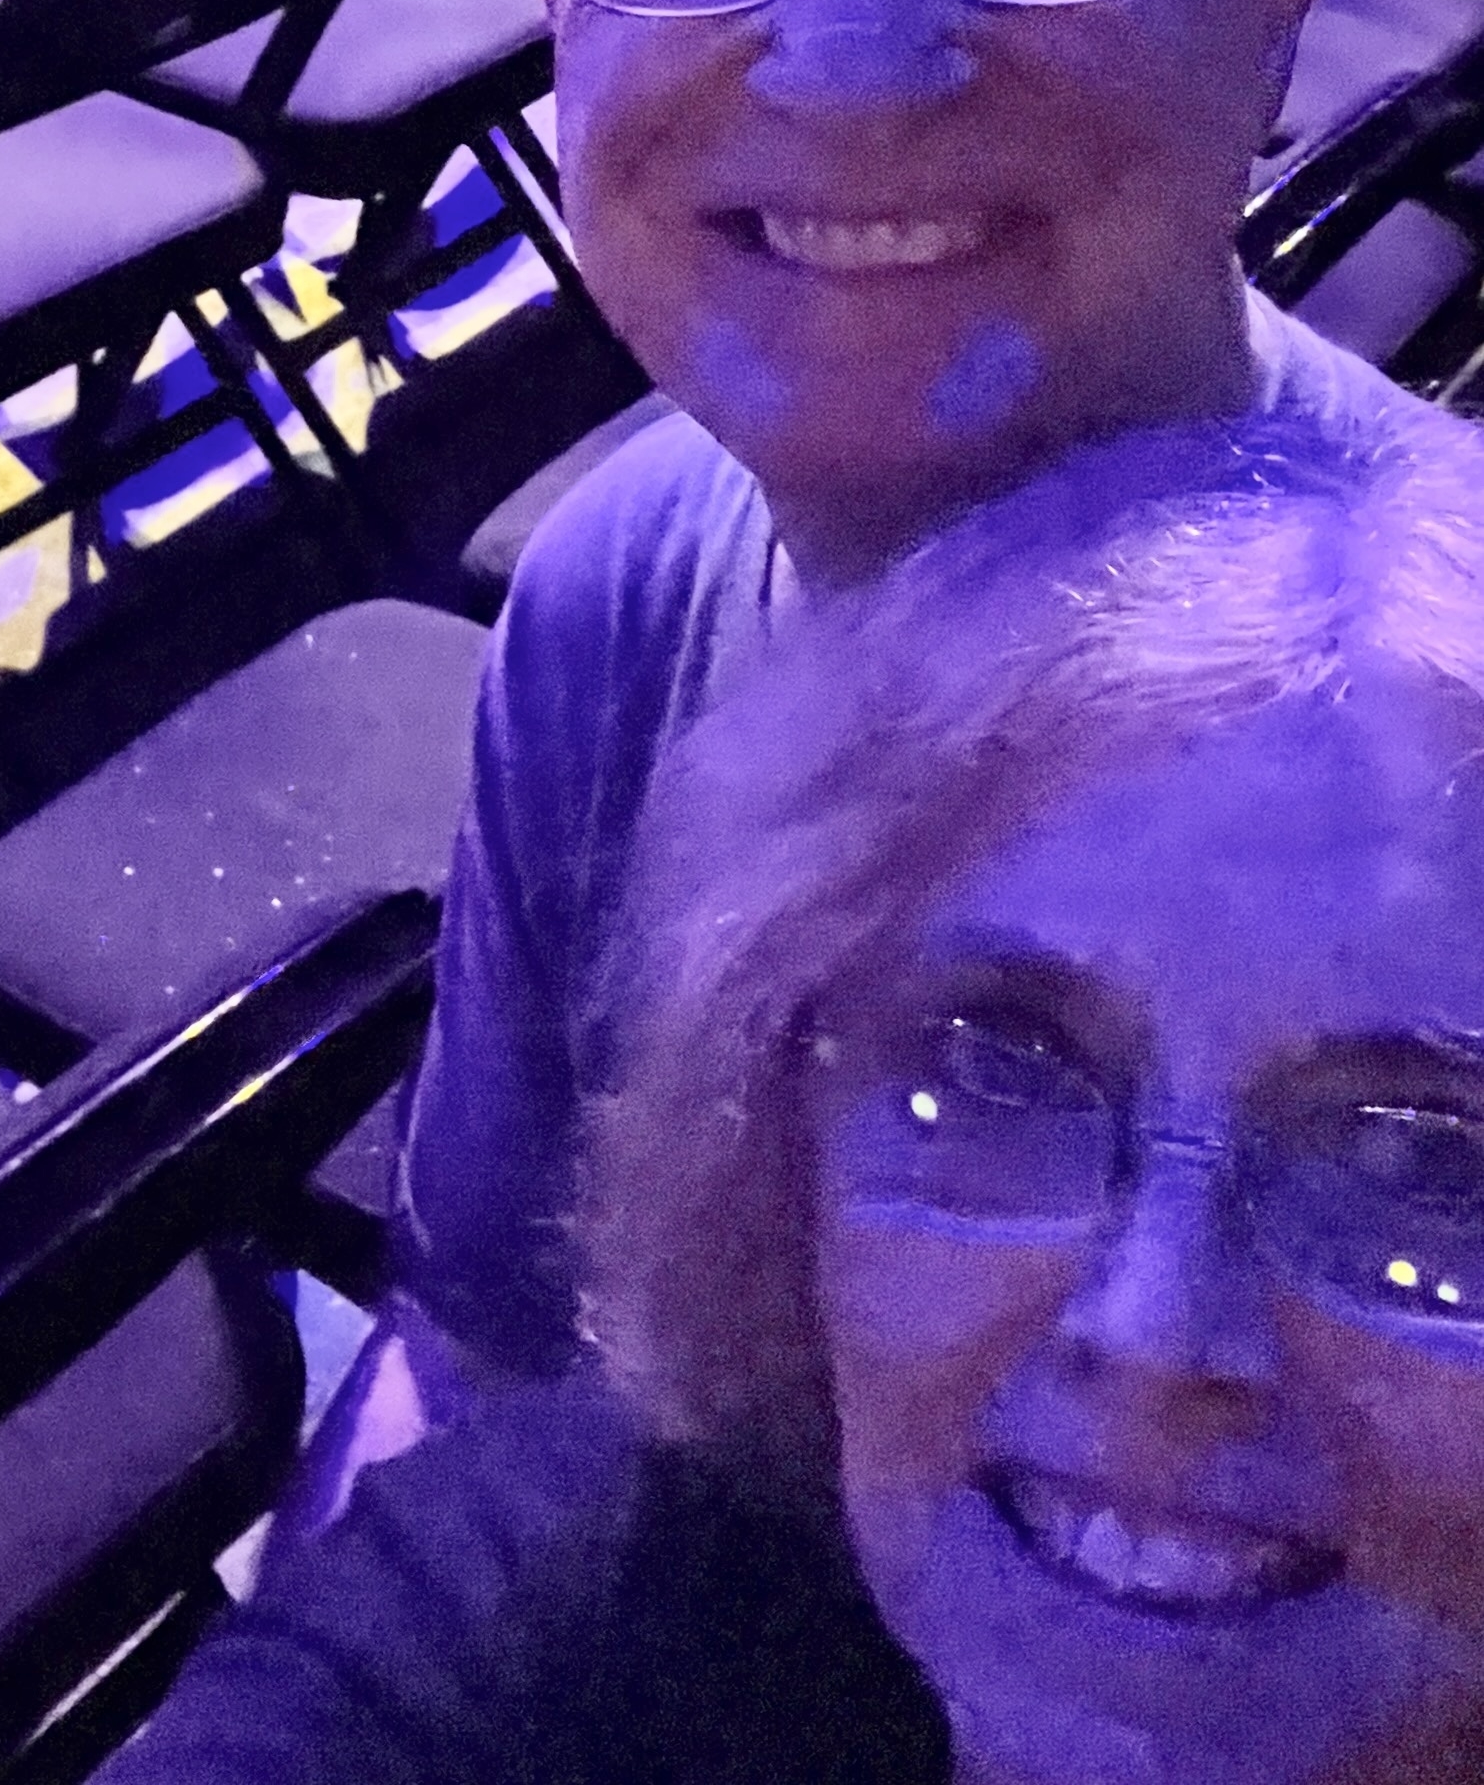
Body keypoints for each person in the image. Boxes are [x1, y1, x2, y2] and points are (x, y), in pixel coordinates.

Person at [313, 0, 1414, 1501]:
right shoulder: (618, 587)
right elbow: (473, 1354)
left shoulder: (1447, 743)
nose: (851, 55)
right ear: (558, 11)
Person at [115, 405, 1484, 1785]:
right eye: (996, 1073)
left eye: (1430, 1169)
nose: (1150, 1332)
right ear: (780, 1155)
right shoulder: (561, 1614)